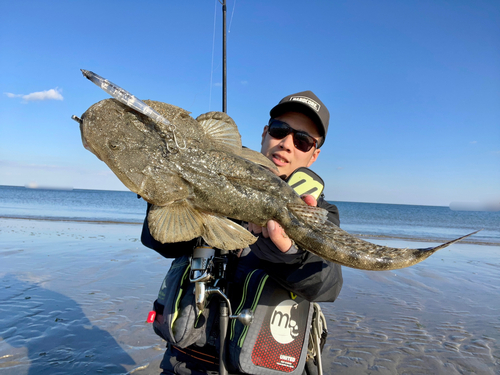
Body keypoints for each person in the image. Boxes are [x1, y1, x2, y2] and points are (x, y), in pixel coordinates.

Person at [141, 90, 343, 375]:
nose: (286, 144)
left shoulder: (320, 212)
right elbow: (161, 242)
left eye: (303, 140)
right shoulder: (214, 177)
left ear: (314, 155)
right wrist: (165, 192)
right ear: (264, 134)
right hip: (184, 364)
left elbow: (327, 283)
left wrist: (291, 255)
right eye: (279, 130)